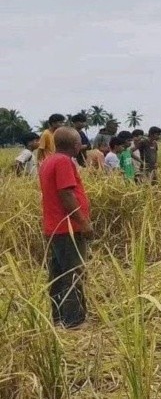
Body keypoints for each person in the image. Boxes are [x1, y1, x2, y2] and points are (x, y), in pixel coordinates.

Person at [39, 127, 92, 329]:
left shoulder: (49, 160)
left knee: (58, 274)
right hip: (67, 228)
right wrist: (83, 222)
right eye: (79, 142)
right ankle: (74, 321)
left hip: (54, 227)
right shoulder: (63, 162)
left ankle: (59, 317)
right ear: (76, 145)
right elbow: (66, 195)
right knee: (73, 273)